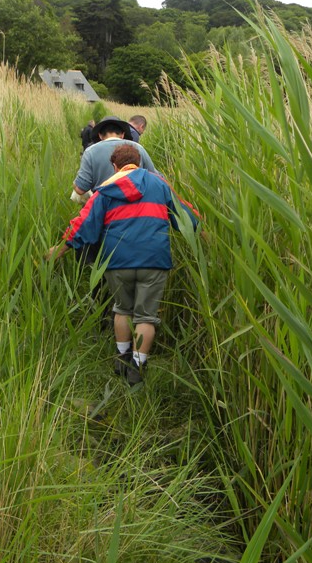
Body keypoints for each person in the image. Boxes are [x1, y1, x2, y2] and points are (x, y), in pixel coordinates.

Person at [48, 144, 200, 385]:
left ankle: (121, 357)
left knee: (122, 309)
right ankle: (137, 367)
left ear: (114, 166)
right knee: (146, 317)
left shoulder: (105, 190)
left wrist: (59, 250)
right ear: (139, 162)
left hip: (117, 261)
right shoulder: (159, 184)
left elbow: (83, 224)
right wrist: (202, 229)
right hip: (154, 260)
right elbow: (185, 217)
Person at [72, 116, 156, 201]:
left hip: (103, 207)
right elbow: (155, 177)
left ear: (100, 135)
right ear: (123, 134)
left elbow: (80, 189)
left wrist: (75, 183)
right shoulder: (138, 148)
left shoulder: (90, 152)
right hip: (135, 206)